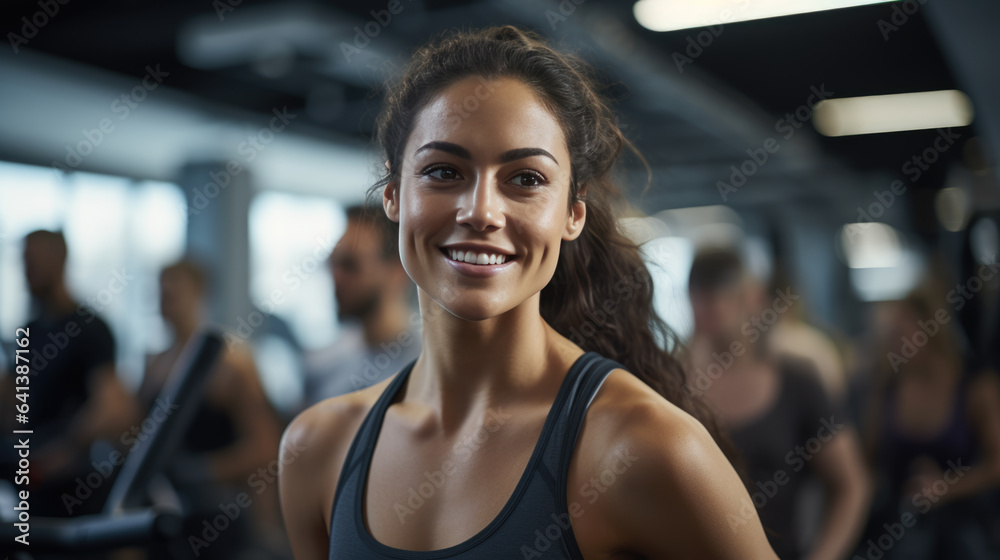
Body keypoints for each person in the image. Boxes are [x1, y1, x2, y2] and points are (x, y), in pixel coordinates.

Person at [279, 26, 775, 559]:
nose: (481, 212)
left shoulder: (644, 447)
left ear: (573, 213)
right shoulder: (318, 448)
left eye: (526, 180)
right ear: (395, 196)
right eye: (444, 171)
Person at [685, 247, 870, 560]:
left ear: (753, 298)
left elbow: (851, 485)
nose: (711, 307)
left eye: (722, 296)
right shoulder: (669, 385)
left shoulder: (798, 382)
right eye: (702, 298)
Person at [138, 259, 283, 559]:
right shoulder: (154, 365)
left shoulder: (232, 363)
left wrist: (201, 472)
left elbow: (264, 448)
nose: (167, 302)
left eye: (175, 293)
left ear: (200, 294)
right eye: (162, 294)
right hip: (165, 507)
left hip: (218, 511)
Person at [860, 284, 1000, 559]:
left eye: (902, 334)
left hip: (965, 535)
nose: (895, 344)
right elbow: (868, 461)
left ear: (930, 330)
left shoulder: (975, 385)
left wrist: (947, 487)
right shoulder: (889, 385)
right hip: (901, 534)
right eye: (892, 336)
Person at [7, 230, 137, 516]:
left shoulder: (89, 327)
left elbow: (114, 409)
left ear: (60, 260)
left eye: (36, 260)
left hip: (68, 484)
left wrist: (64, 449)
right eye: (25, 261)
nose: (29, 269)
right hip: (26, 477)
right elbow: (14, 402)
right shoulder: (29, 331)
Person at [301, 204, 419, 405]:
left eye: (350, 265)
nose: (336, 278)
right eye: (333, 264)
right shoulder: (320, 366)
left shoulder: (429, 367)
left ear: (398, 272)